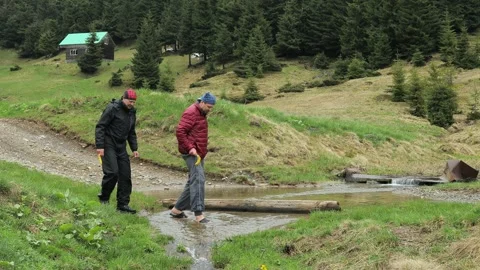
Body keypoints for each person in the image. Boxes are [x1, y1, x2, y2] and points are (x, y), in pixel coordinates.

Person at [170, 92, 216, 223]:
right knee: (198, 180)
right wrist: (191, 148)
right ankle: (198, 214)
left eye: (211, 107)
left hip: (199, 153)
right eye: (208, 106)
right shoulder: (191, 112)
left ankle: (177, 210)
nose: (210, 109)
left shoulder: (201, 113)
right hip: (191, 152)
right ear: (201, 102)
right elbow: (180, 131)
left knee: (193, 181)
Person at [95, 88, 139, 214]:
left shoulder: (132, 112)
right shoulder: (112, 108)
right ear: (123, 99)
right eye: (130, 101)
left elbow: (131, 132)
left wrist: (134, 148)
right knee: (112, 173)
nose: (132, 104)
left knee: (125, 176)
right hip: (108, 144)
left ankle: (123, 205)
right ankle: (104, 198)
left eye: (134, 102)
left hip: (121, 146)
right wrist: (100, 146)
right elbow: (100, 126)